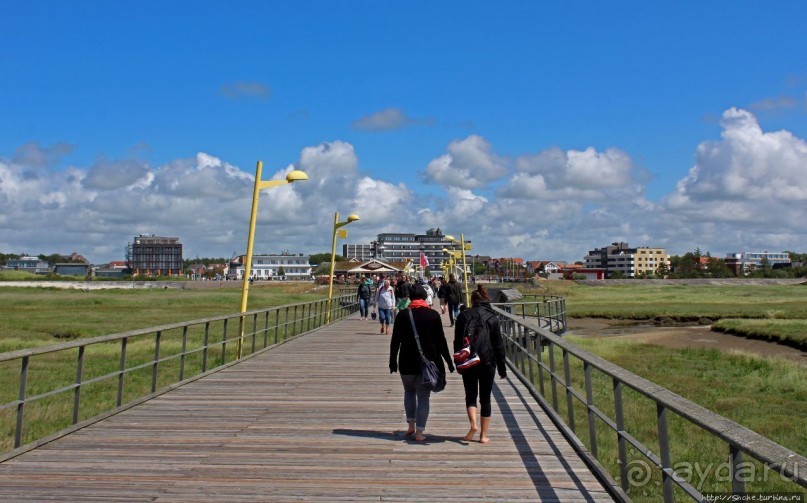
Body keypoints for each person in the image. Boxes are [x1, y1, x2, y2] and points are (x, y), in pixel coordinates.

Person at [389, 285, 454, 441]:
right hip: (428, 362)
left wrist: (392, 361)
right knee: (423, 398)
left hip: (406, 361)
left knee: (409, 392)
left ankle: (410, 426)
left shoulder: (403, 315)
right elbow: (441, 341)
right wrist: (449, 361)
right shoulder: (433, 315)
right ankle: (419, 433)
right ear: (425, 297)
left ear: (411, 298)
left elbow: (395, 341)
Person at [454, 284, 506, 443]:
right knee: (486, 398)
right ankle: (483, 436)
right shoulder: (493, 317)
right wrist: (502, 368)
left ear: (472, 300)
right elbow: (498, 344)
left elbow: (457, 341)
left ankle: (473, 425)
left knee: (470, 395)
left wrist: (458, 361)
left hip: (469, 360)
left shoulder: (463, 316)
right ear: (485, 299)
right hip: (488, 361)